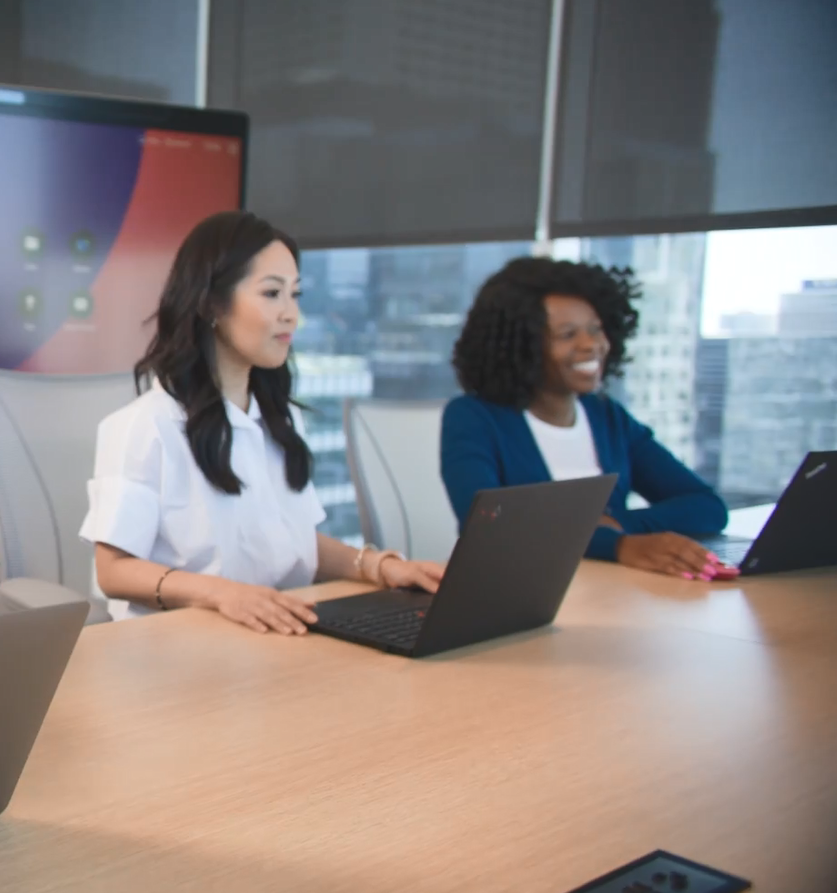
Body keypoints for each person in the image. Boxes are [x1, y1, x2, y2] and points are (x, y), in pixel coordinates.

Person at [79, 211, 444, 633]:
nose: (291, 314)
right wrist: (221, 593)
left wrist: (377, 566)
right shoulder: (145, 425)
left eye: (295, 294)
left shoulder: (280, 420)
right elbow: (115, 570)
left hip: (274, 633)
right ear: (212, 304)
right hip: (177, 645)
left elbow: (294, 543)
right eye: (272, 293)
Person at [440, 257, 729, 580]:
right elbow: (486, 525)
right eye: (567, 335)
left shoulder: (606, 416)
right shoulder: (474, 417)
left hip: (608, 590)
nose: (590, 345)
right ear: (521, 346)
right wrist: (616, 545)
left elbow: (707, 506)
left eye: (596, 329)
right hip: (516, 592)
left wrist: (618, 525)